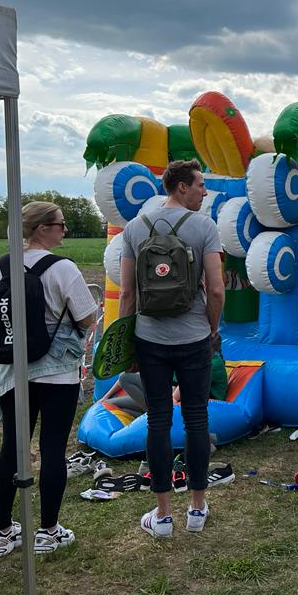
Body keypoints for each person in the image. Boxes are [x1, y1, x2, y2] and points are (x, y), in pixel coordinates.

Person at [119, 159, 226, 538]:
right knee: (197, 419)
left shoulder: (134, 228)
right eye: (199, 185)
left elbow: (128, 292)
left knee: (159, 420)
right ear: (180, 186)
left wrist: (124, 340)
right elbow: (216, 288)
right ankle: (197, 508)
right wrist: (211, 327)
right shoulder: (205, 227)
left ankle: (162, 515)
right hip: (194, 337)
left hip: (150, 340)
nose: (204, 191)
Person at [0, 201, 98, 557]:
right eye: (61, 224)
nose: (65, 230)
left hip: (13, 371)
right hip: (58, 373)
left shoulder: (0, 266)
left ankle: (2, 532)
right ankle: (48, 531)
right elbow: (86, 317)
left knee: (11, 449)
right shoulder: (63, 269)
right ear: (42, 229)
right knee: (52, 450)